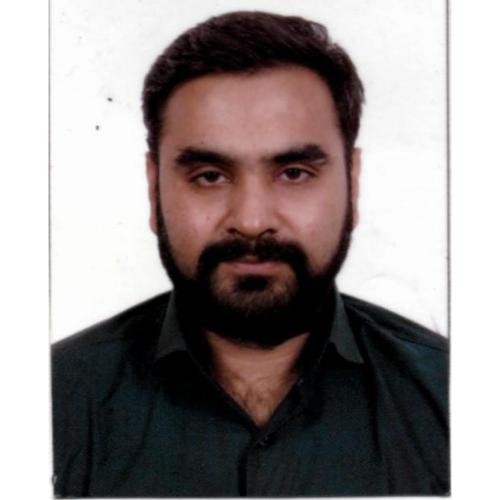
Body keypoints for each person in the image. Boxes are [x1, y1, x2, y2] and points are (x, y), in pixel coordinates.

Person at [52, 11, 449, 497]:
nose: (253, 220)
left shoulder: (457, 400)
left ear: (354, 181)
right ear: (154, 190)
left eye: (294, 173)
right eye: (210, 176)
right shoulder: (47, 402)